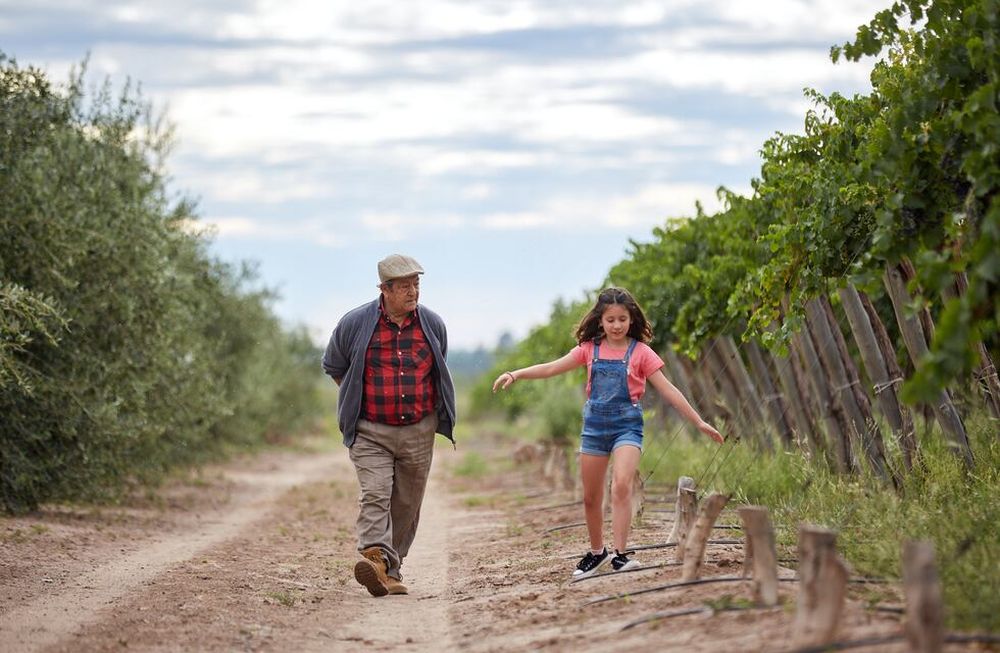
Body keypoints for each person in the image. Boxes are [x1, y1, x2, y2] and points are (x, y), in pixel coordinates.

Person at [493, 287, 723, 578]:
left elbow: (669, 391)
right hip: (594, 429)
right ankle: (597, 552)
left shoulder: (641, 353)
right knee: (591, 497)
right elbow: (552, 368)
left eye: (622, 319)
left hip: (627, 426)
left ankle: (621, 555)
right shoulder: (590, 349)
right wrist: (516, 373)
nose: (616, 325)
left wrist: (699, 422)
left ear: (632, 320)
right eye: (611, 319)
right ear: (600, 321)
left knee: (622, 485)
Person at [322, 254, 457, 597]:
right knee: (376, 494)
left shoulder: (432, 324)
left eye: (417, 284)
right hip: (370, 430)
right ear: (385, 289)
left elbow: (437, 369)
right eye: (405, 286)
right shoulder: (354, 323)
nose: (413, 292)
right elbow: (334, 365)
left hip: (418, 429)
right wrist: (356, 399)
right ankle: (375, 555)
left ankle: (386, 569)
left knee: (407, 504)